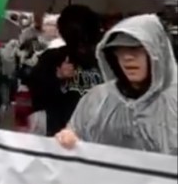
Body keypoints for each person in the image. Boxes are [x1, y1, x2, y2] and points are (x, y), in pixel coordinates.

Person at [56, 14, 177, 155]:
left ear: (156, 52)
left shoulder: (173, 102)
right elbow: (75, 133)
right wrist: (68, 139)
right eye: (120, 50)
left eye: (136, 49)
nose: (127, 57)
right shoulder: (98, 99)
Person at [26, 4, 103, 136]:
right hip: (59, 134)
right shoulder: (52, 58)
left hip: (98, 134)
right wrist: (57, 78)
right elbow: (36, 96)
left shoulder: (103, 59)